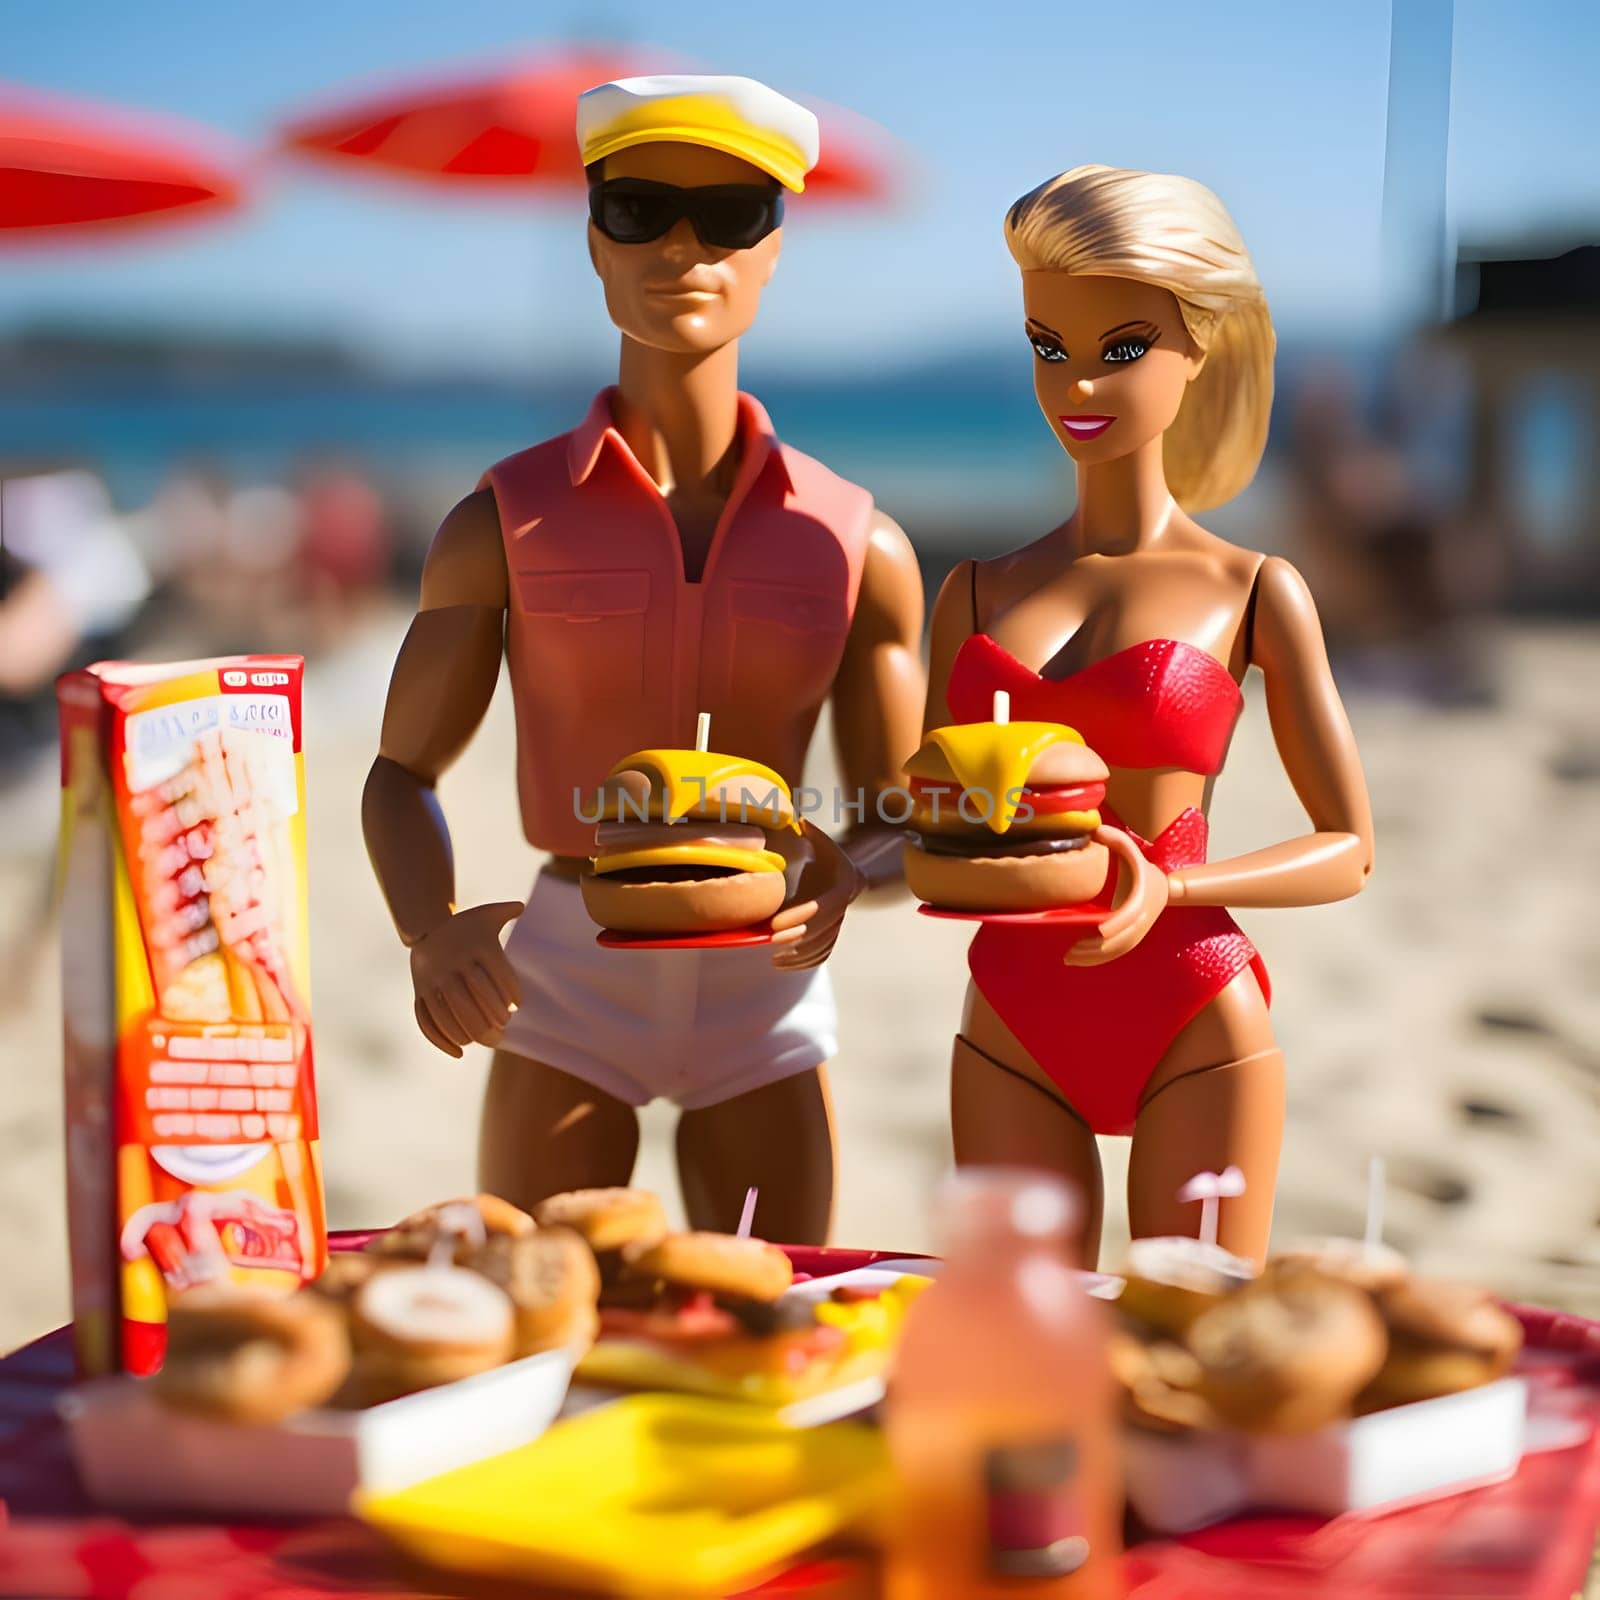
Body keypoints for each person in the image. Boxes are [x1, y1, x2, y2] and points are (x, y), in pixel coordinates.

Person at [364, 76, 925, 1244]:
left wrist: (856, 864)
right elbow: (398, 772)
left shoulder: (856, 540)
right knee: (538, 1309)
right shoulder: (502, 521)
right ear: (592, 242)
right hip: (567, 965)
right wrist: (431, 927)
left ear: (776, 248)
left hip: (764, 970)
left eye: (730, 216)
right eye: (638, 210)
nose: (683, 247)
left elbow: (895, 807)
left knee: (773, 1303)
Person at [921, 166, 1374, 1265]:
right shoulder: (975, 589)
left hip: (1190, 1008)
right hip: (1009, 1021)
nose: (1075, 381)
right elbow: (930, 821)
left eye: (1121, 348)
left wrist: (1174, 882)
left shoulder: (1255, 587)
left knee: (1200, 1347)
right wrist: (841, 864)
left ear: (1200, 344)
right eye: (1047, 344)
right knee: (1024, 1366)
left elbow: (1351, 848)